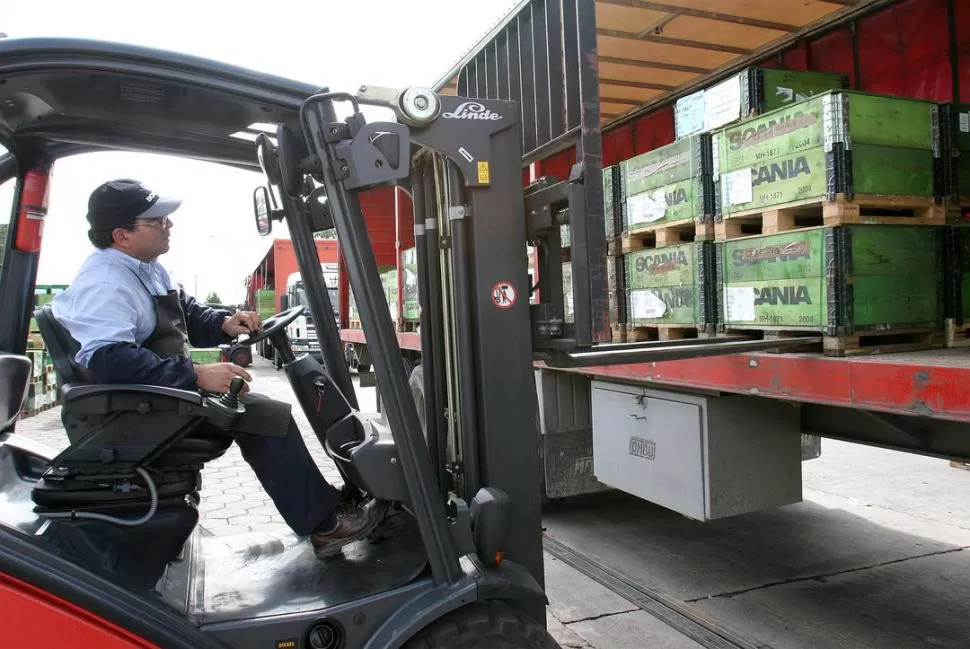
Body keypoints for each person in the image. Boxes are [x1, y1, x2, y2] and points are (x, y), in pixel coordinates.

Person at [51, 178, 387, 559]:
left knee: (258, 408)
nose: (168, 225)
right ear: (121, 235)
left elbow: (187, 312)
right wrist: (194, 375)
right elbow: (109, 361)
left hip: (156, 396)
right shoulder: (106, 282)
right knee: (264, 415)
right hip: (135, 410)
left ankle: (324, 505)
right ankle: (325, 526)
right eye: (157, 220)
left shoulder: (144, 267)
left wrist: (225, 321)